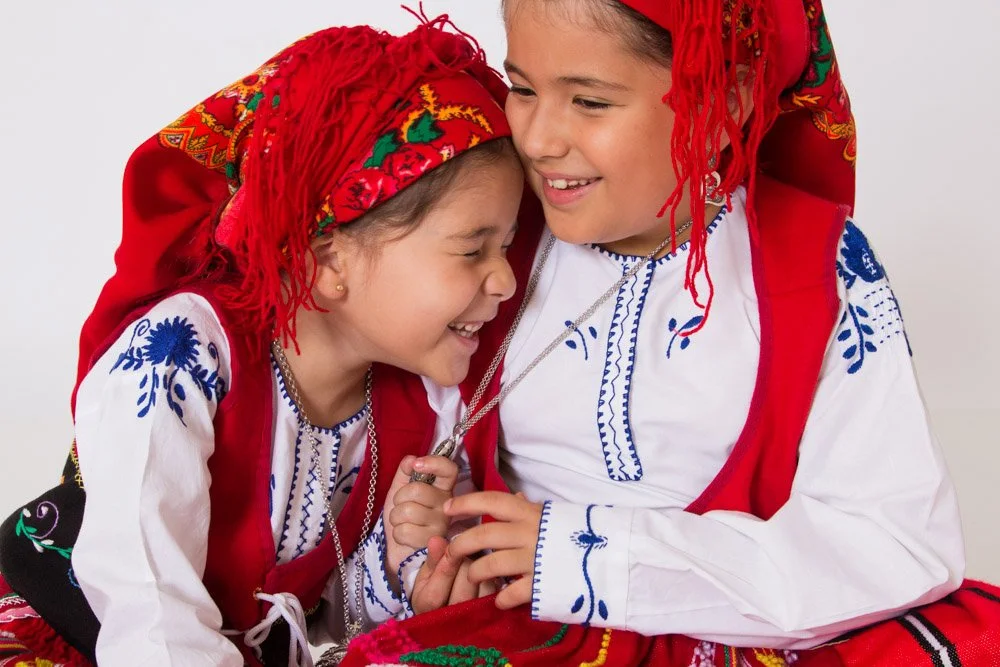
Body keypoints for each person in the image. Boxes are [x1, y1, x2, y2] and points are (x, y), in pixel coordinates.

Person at [345, 1, 1000, 665]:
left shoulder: (814, 266)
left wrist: (593, 556)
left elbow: (896, 542)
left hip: (750, 636)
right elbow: (422, 458)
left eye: (590, 102)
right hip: (527, 631)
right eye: (522, 89)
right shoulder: (489, 245)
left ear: (722, 104)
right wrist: (430, 546)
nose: (538, 140)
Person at [0, 19, 523, 667]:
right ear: (329, 261)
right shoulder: (180, 354)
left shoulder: (424, 403)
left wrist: (398, 566)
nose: (506, 279)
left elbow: (319, 614)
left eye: (507, 247)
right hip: (85, 635)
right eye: (473, 250)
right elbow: (148, 603)